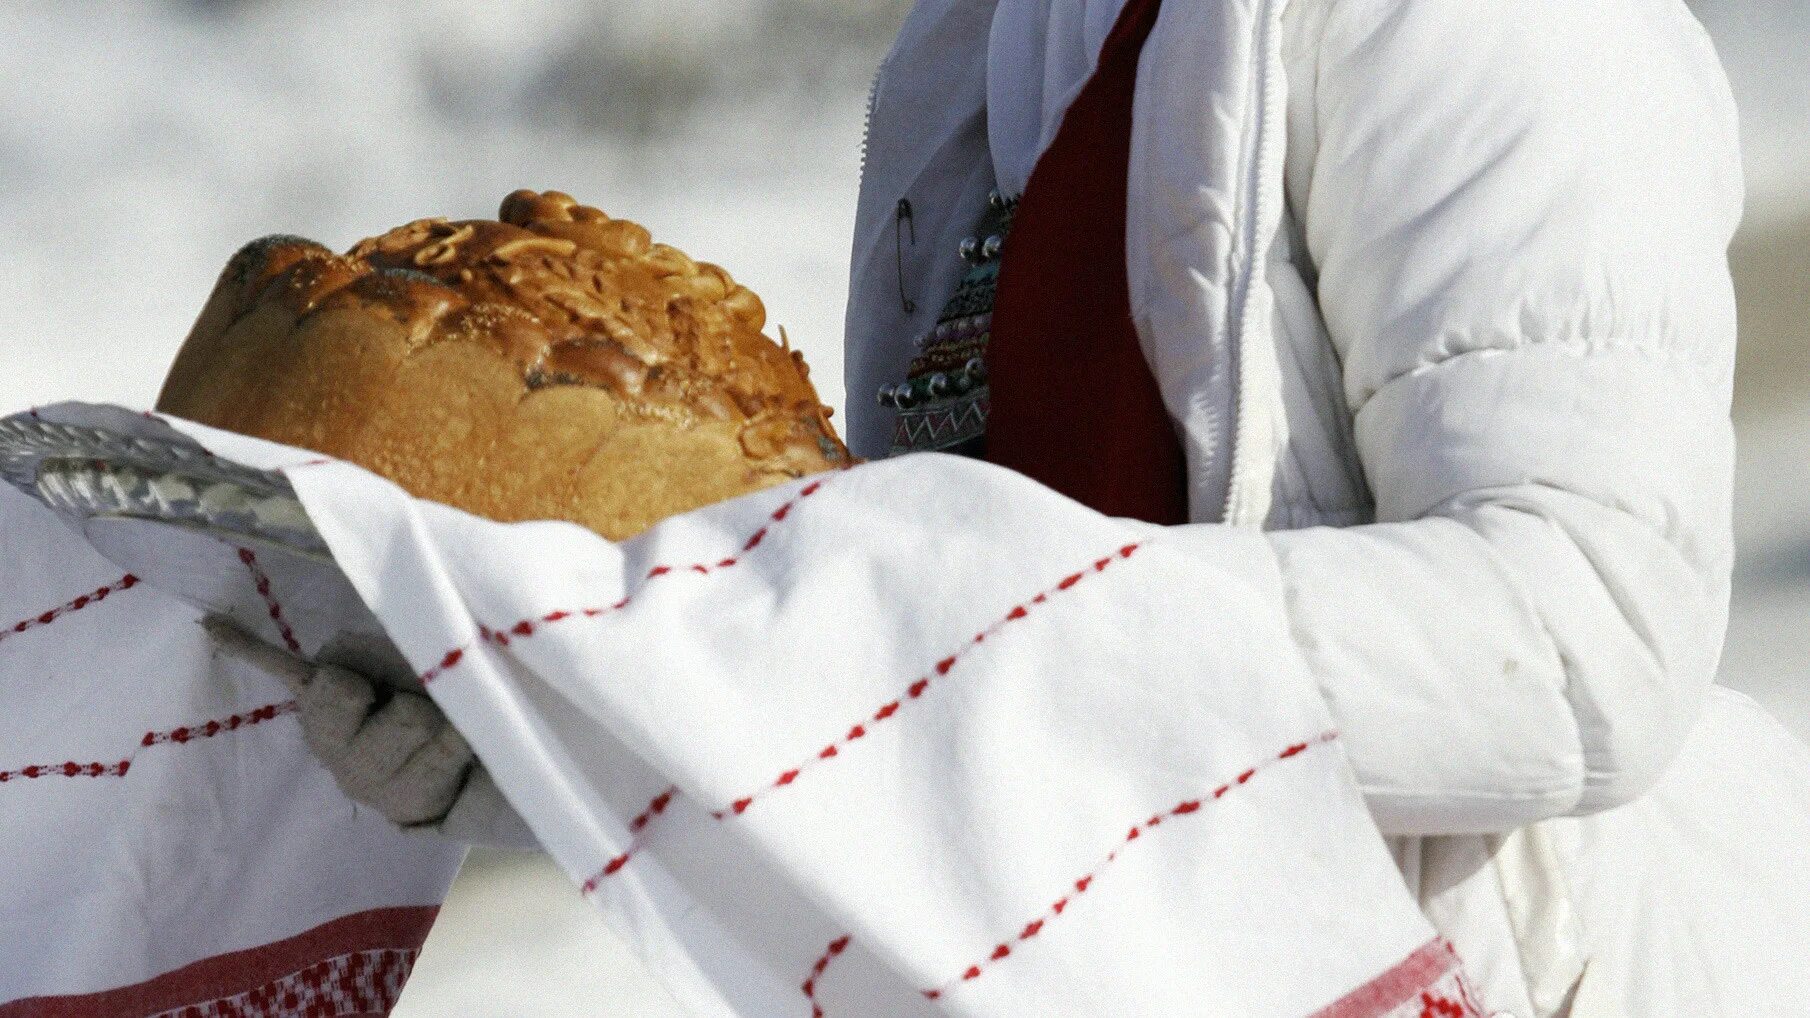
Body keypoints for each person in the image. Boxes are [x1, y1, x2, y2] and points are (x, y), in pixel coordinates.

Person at [215, 0, 1810, 1013]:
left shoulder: (1473, 21)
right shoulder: (974, 46)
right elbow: (920, 688)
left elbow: (1584, 641)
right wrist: (559, 711)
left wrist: (951, 617)